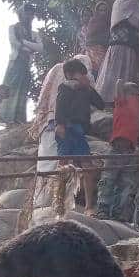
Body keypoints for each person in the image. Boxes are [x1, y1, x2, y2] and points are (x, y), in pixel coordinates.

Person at [31, 55, 93, 207]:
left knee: (49, 164)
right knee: (60, 163)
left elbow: (44, 97)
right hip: (61, 124)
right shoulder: (71, 80)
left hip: (48, 122)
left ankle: (43, 202)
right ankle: (54, 202)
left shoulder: (56, 69)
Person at [55, 58, 105, 214]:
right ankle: (59, 202)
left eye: (85, 74)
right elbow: (60, 106)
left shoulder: (85, 90)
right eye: (80, 74)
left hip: (79, 130)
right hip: (67, 127)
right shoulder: (65, 88)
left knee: (86, 166)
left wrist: (90, 88)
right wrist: (60, 124)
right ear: (70, 75)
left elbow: (100, 104)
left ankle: (89, 206)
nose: (84, 76)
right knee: (63, 166)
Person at [95, 81, 139, 222]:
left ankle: (119, 213)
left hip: (130, 151)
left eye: (136, 93)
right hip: (116, 148)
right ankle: (103, 209)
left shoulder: (138, 108)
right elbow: (118, 85)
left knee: (126, 183)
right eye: (132, 93)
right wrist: (123, 84)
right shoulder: (121, 103)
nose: (135, 95)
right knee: (108, 180)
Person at [97, 0, 139, 106]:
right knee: (124, 71)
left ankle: (110, 99)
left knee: (113, 71)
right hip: (126, 43)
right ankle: (120, 98)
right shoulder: (133, 4)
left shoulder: (117, 3)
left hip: (116, 43)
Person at [0, 3, 43, 125]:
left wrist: (24, 42)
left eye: (31, 13)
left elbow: (40, 47)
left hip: (26, 64)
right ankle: (7, 118)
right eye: (27, 12)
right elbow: (14, 42)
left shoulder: (34, 34)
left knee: (23, 90)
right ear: (21, 14)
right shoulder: (13, 28)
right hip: (15, 63)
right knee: (10, 88)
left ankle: (18, 118)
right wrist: (28, 46)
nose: (29, 16)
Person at [81, 1, 112, 75]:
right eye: (100, 10)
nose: (103, 12)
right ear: (97, 11)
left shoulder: (110, 24)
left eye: (105, 10)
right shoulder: (92, 22)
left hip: (105, 52)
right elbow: (88, 39)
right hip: (91, 52)